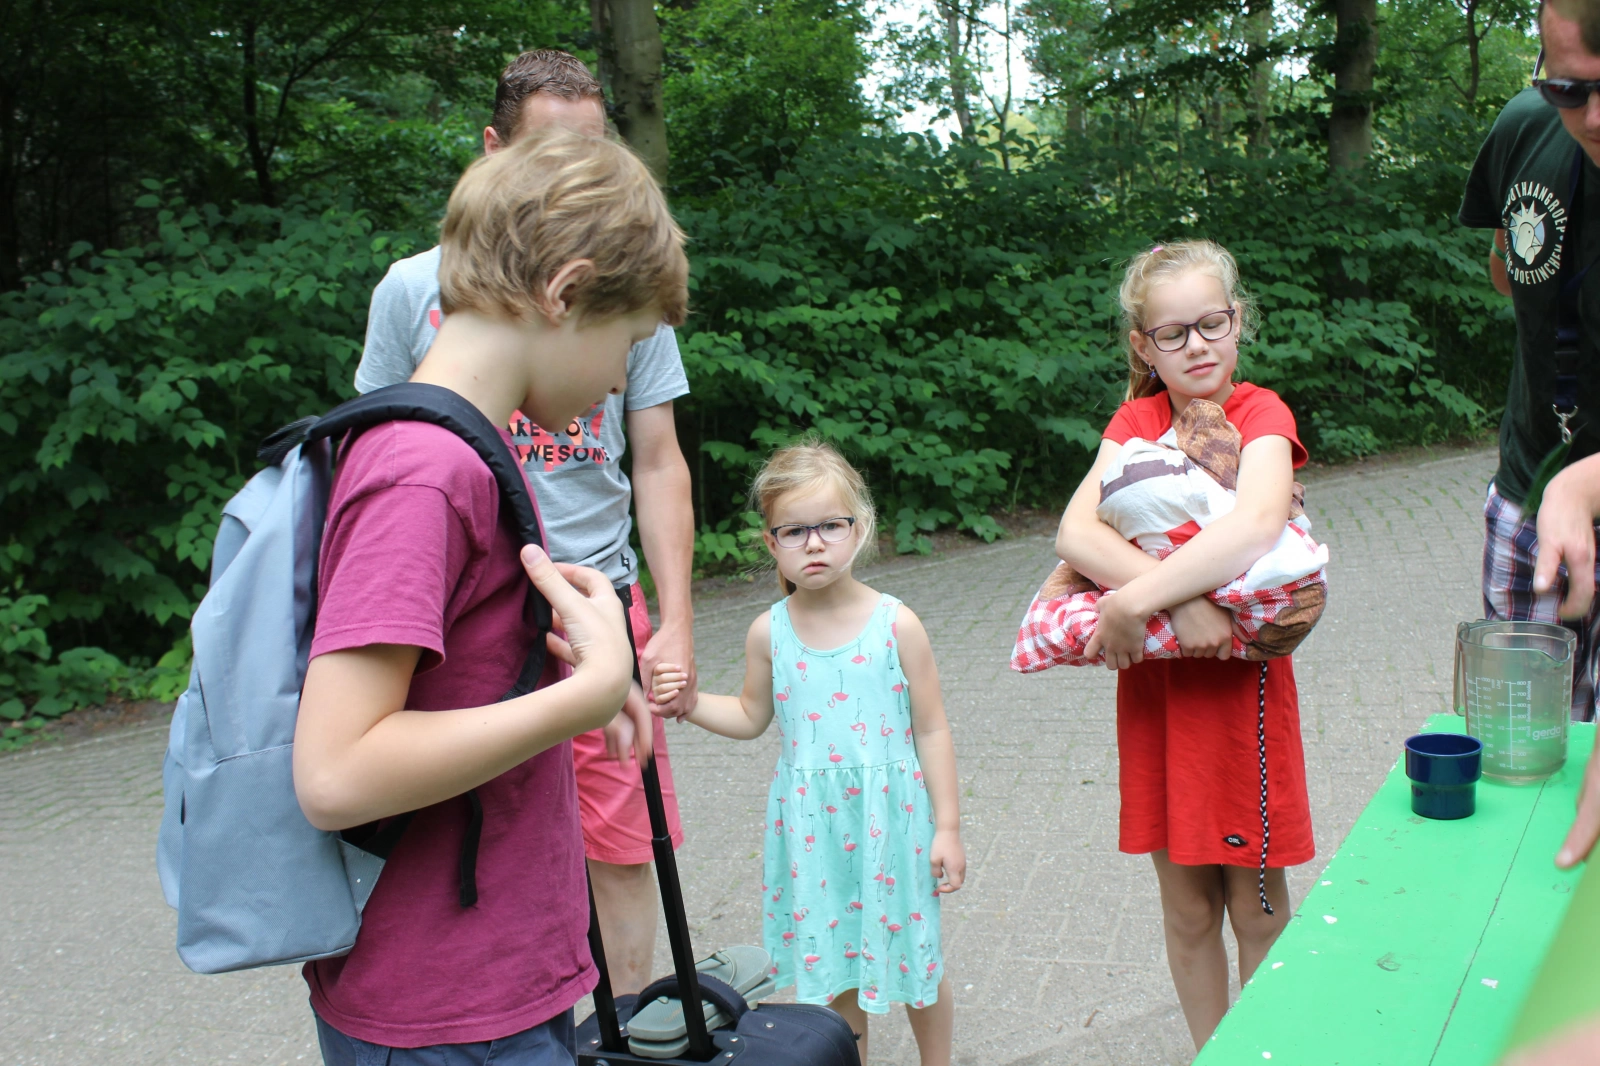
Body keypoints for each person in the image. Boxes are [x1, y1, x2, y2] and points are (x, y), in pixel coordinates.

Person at [292, 128, 688, 1064]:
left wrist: (587, 671)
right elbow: (335, 772)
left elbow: (452, 673)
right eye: (626, 343)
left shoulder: (467, 444)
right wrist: (575, 702)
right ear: (564, 293)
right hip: (442, 1013)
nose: (617, 379)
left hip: (493, 982)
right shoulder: (423, 472)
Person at [1054, 241, 1314, 1049]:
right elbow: (1073, 531)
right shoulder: (1133, 423)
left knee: (1258, 908)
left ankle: (1268, 1047)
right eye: (1174, 333)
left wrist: (1134, 599)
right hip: (1159, 703)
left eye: (1212, 323)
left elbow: (1258, 522)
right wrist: (1188, 599)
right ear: (1143, 345)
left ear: (1239, 323)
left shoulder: (1260, 414)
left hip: (1245, 705)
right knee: (1188, 908)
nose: (1197, 344)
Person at [649, 441, 966, 1066]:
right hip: (815, 832)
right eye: (794, 531)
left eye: (829, 525)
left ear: (859, 528)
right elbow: (748, 715)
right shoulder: (769, 631)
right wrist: (688, 702)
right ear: (772, 544)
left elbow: (931, 729)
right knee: (837, 971)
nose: (814, 543)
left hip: (893, 824)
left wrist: (949, 827)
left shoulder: (897, 624)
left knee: (915, 959)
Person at [1460, 0, 1600, 723]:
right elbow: (1507, 267)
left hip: (1574, 492)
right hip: (1525, 498)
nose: (1594, 117)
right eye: (1571, 87)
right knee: (1519, 745)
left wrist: (1583, 487)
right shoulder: (1526, 125)